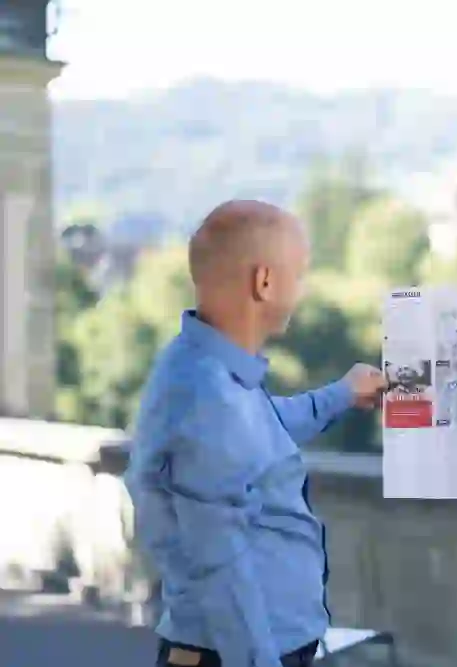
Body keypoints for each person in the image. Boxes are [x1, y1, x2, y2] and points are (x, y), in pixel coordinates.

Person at [124, 200, 387, 667]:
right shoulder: (208, 396)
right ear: (265, 282)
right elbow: (220, 567)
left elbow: (263, 430)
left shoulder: (206, 373)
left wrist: (343, 394)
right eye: (298, 274)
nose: (300, 289)